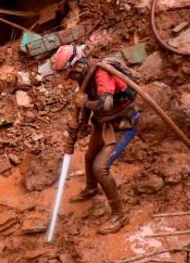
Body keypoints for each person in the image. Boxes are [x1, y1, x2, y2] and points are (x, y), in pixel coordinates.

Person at [52, 44, 140, 235]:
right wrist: (83, 122)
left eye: (70, 74)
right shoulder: (84, 74)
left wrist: (85, 103)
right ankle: (91, 188)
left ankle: (119, 215)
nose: (70, 78)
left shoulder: (101, 73)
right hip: (103, 123)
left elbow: (105, 104)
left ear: (76, 65)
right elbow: (85, 97)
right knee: (89, 156)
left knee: (100, 167)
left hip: (122, 125)